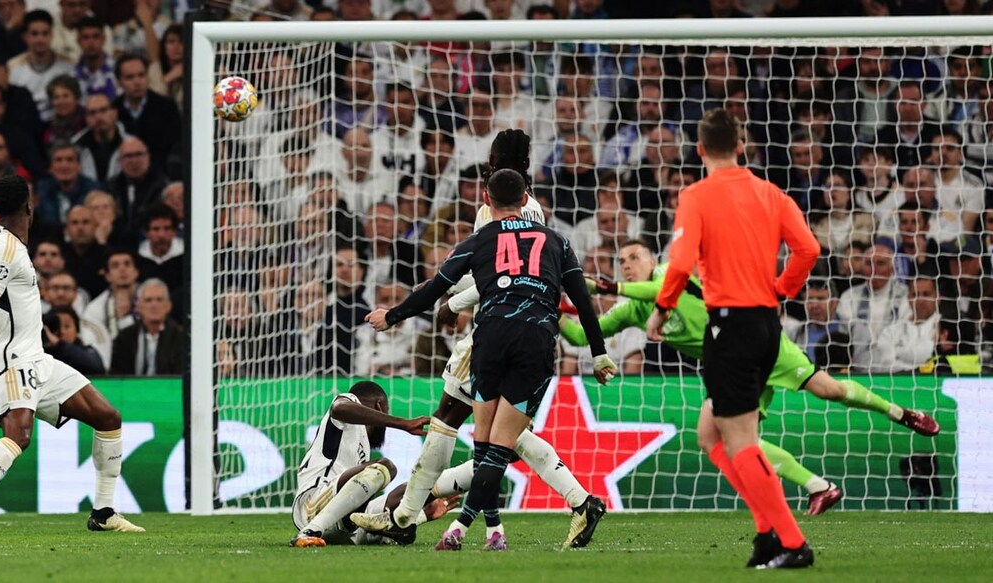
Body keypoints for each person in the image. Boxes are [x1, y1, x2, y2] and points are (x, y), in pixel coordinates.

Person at [352, 129, 609, 550]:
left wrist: (452, 302)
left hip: (496, 331)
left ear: (497, 166)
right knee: (493, 433)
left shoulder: (506, 216)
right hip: (516, 331)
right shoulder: (527, 213)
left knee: (460, 422)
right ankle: (541, 511)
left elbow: (504, 277)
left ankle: (410, 515)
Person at [562, 239, 940, 512]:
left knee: (830, 389)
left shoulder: (666, 274)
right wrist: (550, 308)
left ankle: (901, 413)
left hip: (755, 342)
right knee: (729, 440)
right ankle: (818, 487)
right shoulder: (630, 312)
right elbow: (581, 334)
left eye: (634, 257)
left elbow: (660, 289)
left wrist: (608, 286)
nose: (627, 264)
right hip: (731, 363)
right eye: (621, 261)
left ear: (650, 260)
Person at [646, 108, 819, 569]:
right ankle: (766, 533)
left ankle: (792, 541)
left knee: (741, 440)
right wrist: (783, 289)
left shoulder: (697, 196)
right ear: (740, 146)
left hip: (730, 325)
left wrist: (661, 311)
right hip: (766, 324)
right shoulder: (770, 193)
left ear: (700, 149)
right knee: (712, 434)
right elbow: (809, 248)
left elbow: (680, 263)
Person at [0, 175, 143, 534]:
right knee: (18, 435)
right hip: (12, 359)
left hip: (38, 360)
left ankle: (104, 512)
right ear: (29, 207)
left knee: (108, 417)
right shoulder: (2, 248)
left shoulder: (16, 247)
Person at [289, 380, 430, 547]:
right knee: (385, 467)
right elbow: (338, 408)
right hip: (312, 503)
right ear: (379, 405)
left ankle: (398, 525)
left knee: (416, 487)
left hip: (340, 525)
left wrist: (423, 513)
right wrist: (403, 423)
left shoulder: (363, 447)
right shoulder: (349, 401)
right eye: (386, 410)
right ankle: (310, 531)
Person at [109, 278, 183, 375]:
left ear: (168, 306)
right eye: (148, 300)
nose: (154, 305)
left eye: (159, 300)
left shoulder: (181, 337)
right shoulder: (124, 338)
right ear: (139, 307)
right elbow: (116, 376)